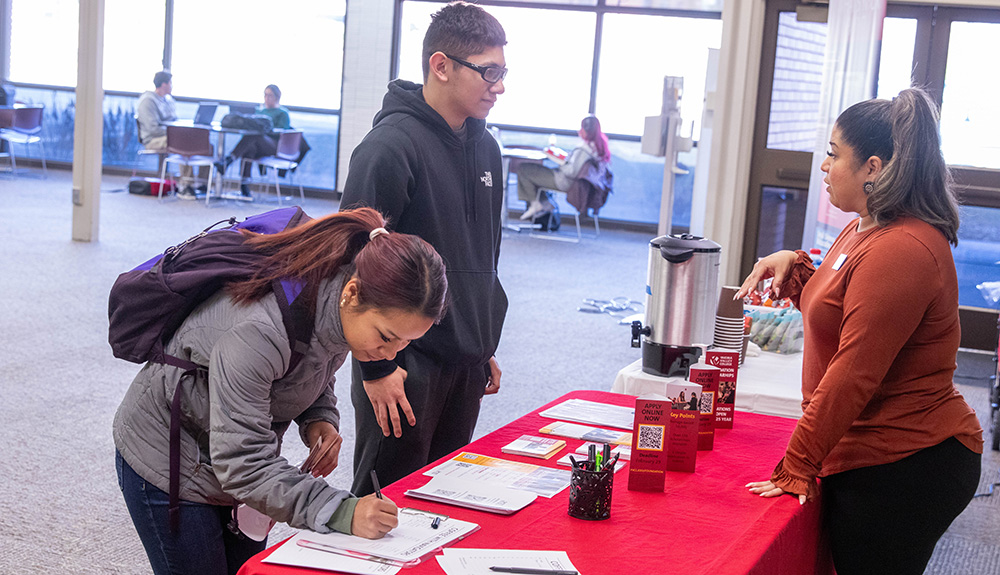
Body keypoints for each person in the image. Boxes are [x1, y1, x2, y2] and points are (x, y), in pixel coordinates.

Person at [113, 207, 448, 575]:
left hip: (228, 450)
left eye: (405, 343)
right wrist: (342, 511)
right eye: (386, 336)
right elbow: (243, 463)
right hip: (167, 456)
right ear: (352, 294)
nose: (390, 355)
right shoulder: (258, 330)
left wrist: (319, 417)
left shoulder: (339, 293)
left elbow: (317, 356)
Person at [736, 88, 982, 575]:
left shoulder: (903, 249)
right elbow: (838, 299)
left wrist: (796, 465)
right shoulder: (865, 226)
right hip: (866, 454)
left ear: (872, 168)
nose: (824, 167)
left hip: (908, 463)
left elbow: (854, 373)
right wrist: (799, 267)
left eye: (833, 155)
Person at [338, 1, 508, 496]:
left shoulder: (488, 149)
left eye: (504, 71)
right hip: (403, 360)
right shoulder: (388, 147)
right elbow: (351, 265)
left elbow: (485, 254)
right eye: (489, 71)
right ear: (441, 66)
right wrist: (376, 367)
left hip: (466, 359)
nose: (500, 86)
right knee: (384, 502)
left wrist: (482, 340)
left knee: (442, 500)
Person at [517, 115, 611, 221]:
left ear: (584, 130)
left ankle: (535, 204)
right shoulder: (599, 147)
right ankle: (545, 204)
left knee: (524, 169)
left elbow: (571, 171)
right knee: (535, 172)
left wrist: (561, 162)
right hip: (580, 185)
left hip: (565, 181)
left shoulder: (583, 149)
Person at [217, 84, 292, 198]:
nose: (267, 98)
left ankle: (229, 160)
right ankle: (244, 186)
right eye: (265, 95)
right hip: (258, 144)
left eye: (270, 95)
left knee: (255, 136)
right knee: (249, 148)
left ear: (277, 97)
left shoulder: (282, 113)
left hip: (275, 146)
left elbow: (284, 132)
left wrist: (267, 129)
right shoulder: (259, 110)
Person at [136, 71, 200, 200]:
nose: (172, 86)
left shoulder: (168, 100)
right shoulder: (148, 101)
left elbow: (173, 121)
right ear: (163, 84)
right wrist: (176, 133)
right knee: (183, 143)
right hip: (153, 139)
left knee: (202, 143)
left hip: (168, 136)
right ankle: (186, 186)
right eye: (170, 83)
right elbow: (152, 129)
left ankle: (202, 184)